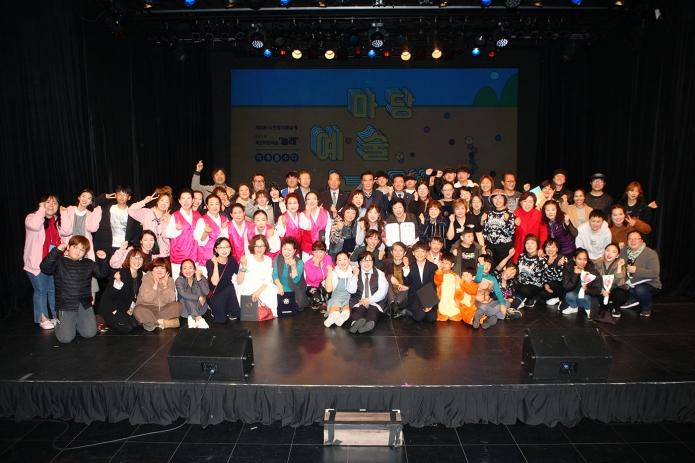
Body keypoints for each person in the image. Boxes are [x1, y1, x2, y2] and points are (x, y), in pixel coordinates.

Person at [39, 236, 110, 343]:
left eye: (82, 250)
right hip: (66, 304)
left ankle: (76, 322)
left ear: (85, 252)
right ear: (68, 247)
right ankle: (60, 322)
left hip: (84, 303)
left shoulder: (88, 263)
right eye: (75, 247)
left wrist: (103, 260)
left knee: (89, 333)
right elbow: (44, 268)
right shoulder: (59, 261)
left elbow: (102, 274)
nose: (78, 252)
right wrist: (56, 251)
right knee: (65, 339)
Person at [24, 194, 70, 330]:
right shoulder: (32, 217)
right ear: (41, 204)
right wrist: (41, 210)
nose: (51, 205)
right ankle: (42, 318)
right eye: (48, 202)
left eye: (55, 203)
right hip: (37, 263)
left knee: (53, 290)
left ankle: (55, 316)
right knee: (41, 290)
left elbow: (67, 231)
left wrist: (64, 214)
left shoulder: (57, 220)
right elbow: (34, 226)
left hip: (54, 263)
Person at [98, 248, 144, 334]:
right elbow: (112, 296)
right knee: (127, 327)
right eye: (134, 258)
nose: (137, 261)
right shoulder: (122, 273)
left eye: (140, 258)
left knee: (136, 324)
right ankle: (102, 319)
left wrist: (131, 308)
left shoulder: (140, 274)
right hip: (111, 307)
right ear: (128, 260)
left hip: (124, 308)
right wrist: (118, 282)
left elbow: (135, 295)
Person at [619, 231, 661, 318]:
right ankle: (633, 298)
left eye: (636, 239)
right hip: (630, 282)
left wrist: (636, 270)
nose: (633, 241)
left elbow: (654, 273)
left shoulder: (650, 253)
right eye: (630, 239)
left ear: (641, 241)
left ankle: (646, 308)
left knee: (640, 289)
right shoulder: (623, 251)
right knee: (620, 287)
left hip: (649, 283)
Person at [235, 235, 278, 317]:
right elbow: (239, 281)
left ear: (265, 247)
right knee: (252, 315)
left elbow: (267, 280)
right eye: (257, 246)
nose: (259, 248)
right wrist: (243, 266)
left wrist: (258, 292)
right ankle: (257, 312)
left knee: (272, 289)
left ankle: (267, 313)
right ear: (253, 247)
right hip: (247, 286)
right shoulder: (247, 259)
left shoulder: (268, 260)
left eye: (262, 246)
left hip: (262, 287)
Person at [346, 251, 389, 334]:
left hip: (375, 301)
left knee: (373, 311)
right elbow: (351, 290)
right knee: (358, 310)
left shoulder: (380, 273)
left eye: (369, 260)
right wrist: (355, 275)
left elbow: (383, 290)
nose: (366, 263)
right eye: (363, 261)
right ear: (359, 263)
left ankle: (368, 325)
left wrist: (369, 300)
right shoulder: (354, 272)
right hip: (359, 300)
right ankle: (355, 324)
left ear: (373, 262)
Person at [133, 257, 181, 330]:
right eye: (156, 268)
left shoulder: (170, 280)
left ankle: (150, 323)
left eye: (162, 268)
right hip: (148, 308)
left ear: (166, 270)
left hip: (163, 309)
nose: (159, 270)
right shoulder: (147, 278)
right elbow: (147, 299)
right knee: (138, 310)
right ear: (152, 269)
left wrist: (165, 286)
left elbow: (171, 300)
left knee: (177, 306)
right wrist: (155, 285)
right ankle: (164, 323)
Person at [93, 185, 139, 257]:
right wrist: (104, 197)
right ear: (115, 195)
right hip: (107, 246)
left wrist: (133, 245)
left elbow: (136, 230)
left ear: (129, 197)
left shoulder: (132, 211)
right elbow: (93, 204)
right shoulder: (107, 207)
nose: (121, 197)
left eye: (124, 195)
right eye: (119, 194)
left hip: (124, 247)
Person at [165, 189, 201, 280]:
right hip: (179, 254)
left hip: (194, 253)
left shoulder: (197, 215)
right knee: (178, 282)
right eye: (183, 198)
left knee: (194, 282)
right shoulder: (175, 215)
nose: (186, 201)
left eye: (188, 198)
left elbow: (200, 235)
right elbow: (168, 233)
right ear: (179, 201)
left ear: (192, 200)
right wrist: (177, 229)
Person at [127, 189, 172, 257]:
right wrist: (144, 201)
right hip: (148, 251)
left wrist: (166, 222)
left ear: (169, 204)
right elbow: (130, 210)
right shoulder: (147, 212)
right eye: (161, 200)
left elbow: (169, 236)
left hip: (164, 253)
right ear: (157, 201)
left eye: (167, 202)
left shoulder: (170, 217)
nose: (163, 203)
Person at [206, 237, 241, 323]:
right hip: (215, 294)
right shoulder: (210, 262)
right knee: (221, 320)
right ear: (216, 249)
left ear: (230, 248)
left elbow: (239, 278)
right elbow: (214, 283)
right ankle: (215, 309)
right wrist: (215, 264)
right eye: (221, 247)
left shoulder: (232, 260)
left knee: (237, 315)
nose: (224, 250)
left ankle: (230, 310)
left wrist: (243, 266)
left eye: (227, 247)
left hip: (229, 293)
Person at [61, 189, 102, 262]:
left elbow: (93, 229)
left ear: (91, 202)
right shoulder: (69, 210)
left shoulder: (90, 214)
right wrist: (63, 213)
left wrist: (97, 211)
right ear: (79, 198)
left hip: (83, 248)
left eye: (89, 198)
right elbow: (65, 231)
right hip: (69, 246)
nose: (85, 199)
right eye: (83, 196)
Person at [402, 242, 438, 323]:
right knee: (419, 317)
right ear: (413, 253)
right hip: (415, 295)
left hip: (428, 294)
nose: (420, 254)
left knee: (432, 318)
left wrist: (430, 303)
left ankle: (418, 310)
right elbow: (407, 282)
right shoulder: (410, 266)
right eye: (417, 251)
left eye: (422, 251)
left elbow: (433, 285)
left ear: (426, 253)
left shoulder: (433, 267)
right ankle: (409, 311)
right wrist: (406, 268)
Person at [194, 194, 229, 276]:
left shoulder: (224, 219)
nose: (215, 206)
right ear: (207, 206)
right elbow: (200, 242)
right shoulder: (202, 220)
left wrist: (223, 229)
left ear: (220, 205)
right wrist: (206, 232)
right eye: (211, 204)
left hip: (222, 257)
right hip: (207, 257)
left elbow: (227, 239)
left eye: (217, 204)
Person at [561, 248, 602, 317]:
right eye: (579, 259)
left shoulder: (592, 270)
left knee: (584, 297)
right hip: (575, 296)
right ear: (574, 259)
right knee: (569, 295)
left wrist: (586, 290)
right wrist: (575, 274)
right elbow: (566, 287)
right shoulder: (568, 268)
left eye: (585, 259)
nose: (582, 262)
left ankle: (588, 309)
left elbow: (598, 289)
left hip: (587, 298)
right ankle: (573, 307)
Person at [472, 254, 509, 329]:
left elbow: (498, 292)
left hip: (488, 303)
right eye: (484, 264)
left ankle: (488, 319)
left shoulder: (492, 278)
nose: (487, 266)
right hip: (478, 302)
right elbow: (478, 279)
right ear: (478, 265)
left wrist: (502, 304)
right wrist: (481, 266)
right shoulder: (475, 275)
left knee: (506, 303)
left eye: (489, 264)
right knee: (484, 306)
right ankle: (483, 316)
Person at [511, 235, 547, 310]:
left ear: (537, 245)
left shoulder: (542, 259)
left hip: (534, 286)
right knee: (512, 284)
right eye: (527, 243)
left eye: (532, 243)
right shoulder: (521, 256)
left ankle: (515, 305)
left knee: (523, 289)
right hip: (520, 283)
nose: (529, 245)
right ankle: (520, 300)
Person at [594, 243, 629, 319]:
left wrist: (619, 267)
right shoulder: (596, 263)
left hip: (614, 290)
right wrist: (602, 290)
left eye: (614, 252)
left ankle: (616, 307)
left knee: (620, 294)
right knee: (598, 298)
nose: (609, 254)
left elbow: (620, 283)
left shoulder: (620, 264)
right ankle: (608, 306)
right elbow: (594, 280)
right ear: (604, 251)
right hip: (602, 290)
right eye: (608, 250)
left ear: (617, 255)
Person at [273, 237, 305, 317]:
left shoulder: (299, 262)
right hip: (279, 288)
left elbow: (295, 281)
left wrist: (293, 267)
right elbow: (275, 275)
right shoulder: (278, 258)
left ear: (294, 251)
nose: (286, 252)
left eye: (289, 250)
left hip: (294, 290)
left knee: (291, 309)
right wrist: (279, 286)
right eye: (284, 249)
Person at [482, 189, 516, 266]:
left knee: (502, 269)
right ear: (492, 200)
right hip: (490, 247)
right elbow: (485, 231)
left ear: (504, 199)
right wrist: (484, 245)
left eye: (500, 198)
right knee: (489, 268)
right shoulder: (489, 213)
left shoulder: (510, 214)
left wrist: (507, 221)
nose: (497, 200)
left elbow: (512, 232)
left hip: (504, 248)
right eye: (495, 198)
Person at [176, 259, 211, 329]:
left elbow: (207, 292)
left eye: (190, 268)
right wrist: (198, 297)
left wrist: (199, 279)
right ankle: (198, 318)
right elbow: (183, 293)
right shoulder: (179, 280)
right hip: (185, 309)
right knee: (185, 296)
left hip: (200, 307)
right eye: (185, 268)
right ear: (181, 270)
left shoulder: (201, 277)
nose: (188, 271)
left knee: (189, 296)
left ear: (194, 269)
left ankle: (191, 317)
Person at [323, 251, 354, 327]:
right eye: (339, 260)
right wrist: (329, 272)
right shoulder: (334, 273)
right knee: (334, 309)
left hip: (348, 298)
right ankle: (332, 318)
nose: (342, 262)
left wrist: (355, 274)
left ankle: (340, 319)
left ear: (349, 260)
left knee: (346, 310)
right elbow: (328, 290)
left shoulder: (353, 271)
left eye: (345, 259)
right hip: (336, 298)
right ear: (336, 262)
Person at [512, 192, 543, 263]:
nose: (527, 204)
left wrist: (541, 247)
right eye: (525, 201)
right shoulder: (516, 213)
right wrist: (516, 225)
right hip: (520, 246)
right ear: (520, 202)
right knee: (518, 265)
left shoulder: (538, 214)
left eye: (530, 202)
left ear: (534, 203)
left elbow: (543, 232)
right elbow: (514, 234)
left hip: (534, 245)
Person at [303, 241, 333, 310]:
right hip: (312, 286)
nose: (318, 254)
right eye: (316, 252)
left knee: (329, 300)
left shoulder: (328, 258)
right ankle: (315, 300)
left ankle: (324, 300)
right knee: (317, 299)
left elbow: (330, 270)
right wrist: (316, 264)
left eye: (321, 252)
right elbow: (312, 279)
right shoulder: (307, 264)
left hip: (324, 283)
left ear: (325, 252)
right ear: (312, 252)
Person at [299, 191, 329, 259]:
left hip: (322, 249)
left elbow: (327, 231)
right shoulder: (302, 214)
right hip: (307, 250)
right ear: (305, 202)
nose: (312, 201)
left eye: (314, 199)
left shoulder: (325, 213)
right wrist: (307, 214)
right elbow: (306, 227)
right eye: (309, 199)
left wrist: (326, 247)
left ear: (318, 201)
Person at [433, 252, 464, 322]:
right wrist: (439, 270)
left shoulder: (455, 276)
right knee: (442, 316)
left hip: (452, 301)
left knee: (457, 317)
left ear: (452, 265)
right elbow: (437, 282)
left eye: (447, 263)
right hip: (442, 300)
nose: (444, 265)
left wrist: (458, 285)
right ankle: (442, 312)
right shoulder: (439, 273)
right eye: (442, 262)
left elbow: (460, 290)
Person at [382, 242, 410, 316]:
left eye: (400, 250)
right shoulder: (386, 262)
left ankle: (394, 305)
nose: (398, 253)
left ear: (404, 253)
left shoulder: (409, 264)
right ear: (391, 252)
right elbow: (380, 277)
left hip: (403, 295)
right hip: (390, 293)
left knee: (407, 288)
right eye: (395, 250)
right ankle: (393, 304)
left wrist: (406, 287)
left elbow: (413, 281)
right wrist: (389, 277)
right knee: (386, 282)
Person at [539, 239, 567, 307]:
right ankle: (557, 298)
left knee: (556, 284)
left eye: (553, 247)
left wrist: (558, 266)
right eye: (548, 247)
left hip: (559, 285)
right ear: (544, 249)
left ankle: (560, 299)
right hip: (548, 285)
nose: (550, 249)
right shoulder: (543, 259)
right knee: (542, 294)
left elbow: (560, 278)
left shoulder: (563, 259)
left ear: (557, 249)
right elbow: (541, 275)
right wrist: (545, 284)